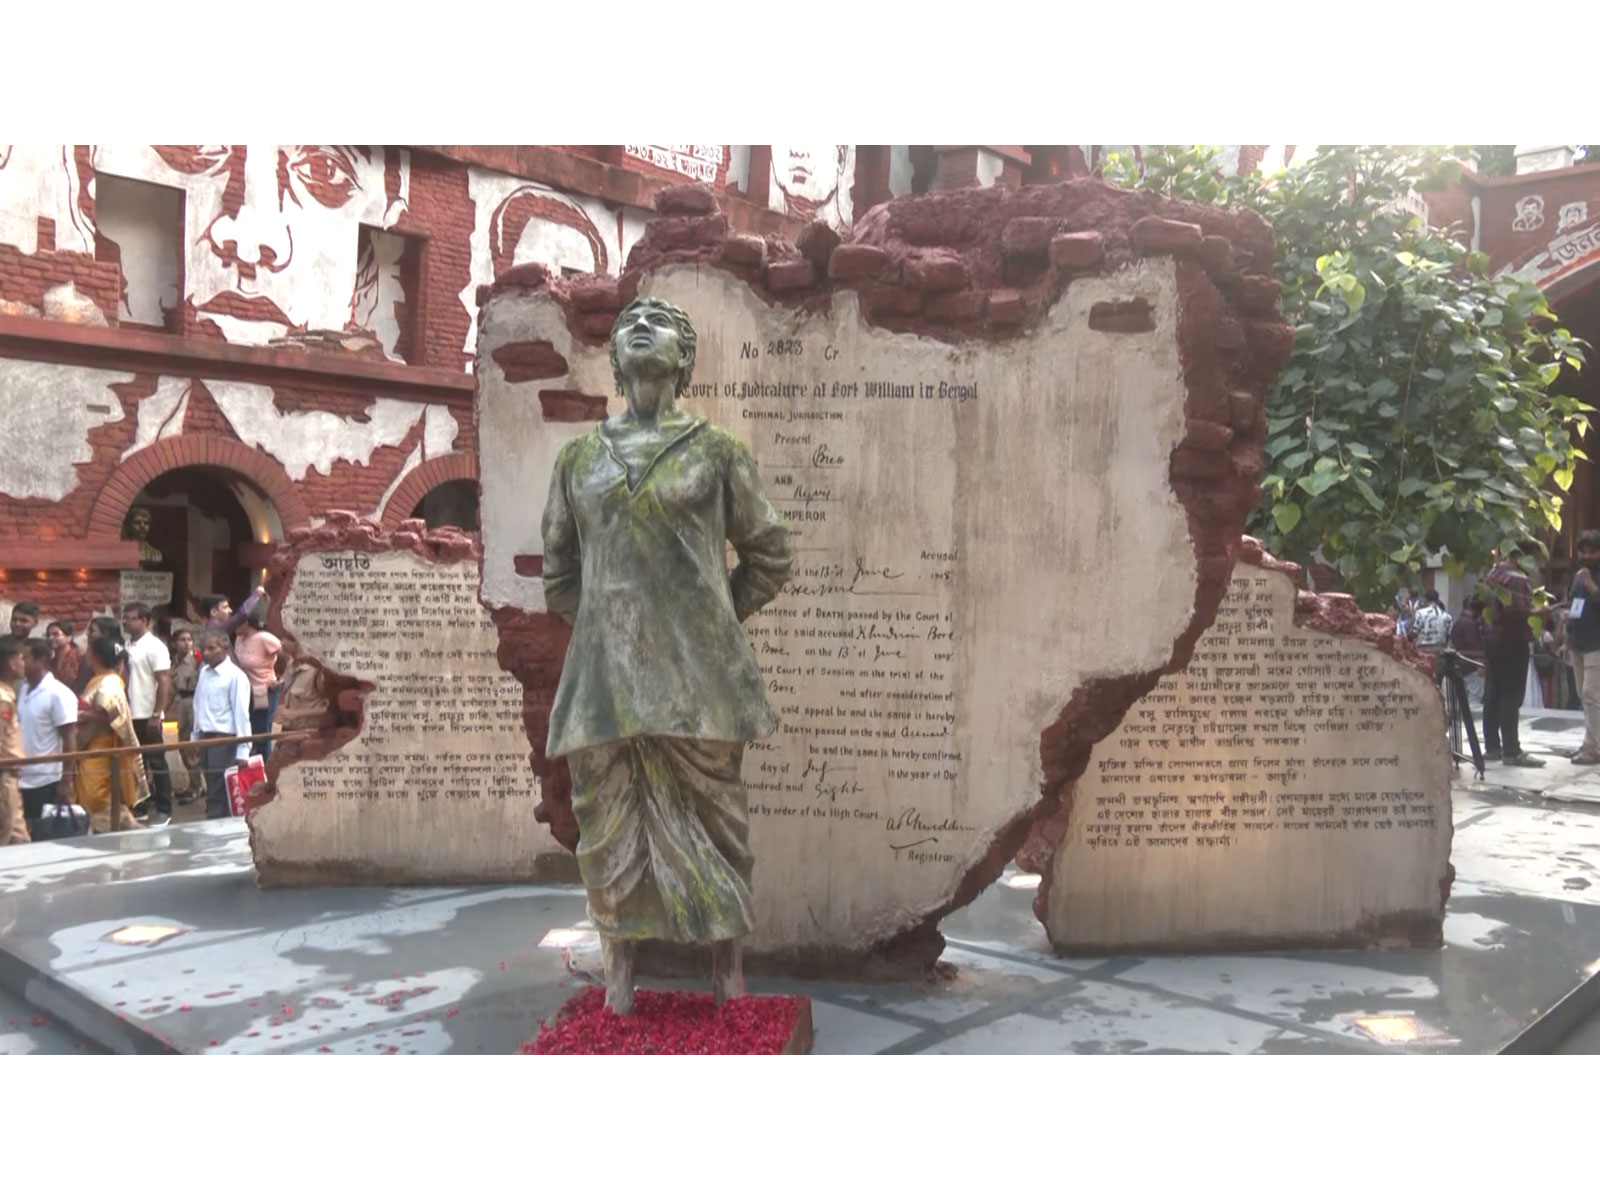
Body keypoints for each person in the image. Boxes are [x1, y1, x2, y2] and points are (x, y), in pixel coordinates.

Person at [541, 296, 792, 1015]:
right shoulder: (579, 459)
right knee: (608, 831)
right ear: (617, 360)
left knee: (716, 830)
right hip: (605, 689)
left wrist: (711, 619)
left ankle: (727, 977)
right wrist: (613, 629)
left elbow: (770, 556)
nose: (641, 328)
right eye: (629, 324)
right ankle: (619, 982)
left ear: (684, 360)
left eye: (661, 325)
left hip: (701, 688)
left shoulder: (717, 452)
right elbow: (560, 573)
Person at [72, 636, 147, 833]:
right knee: (94, 793)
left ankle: (121, 824)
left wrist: (84, 715)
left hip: (100, 745)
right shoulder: (99, 680)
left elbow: (111, 714)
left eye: (89, 652)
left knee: (96, 794)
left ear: (96, 656)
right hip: (90, 744)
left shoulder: (109, 682)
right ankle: (121, 823)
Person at [1482, 548, 1543, 768]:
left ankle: (1492, 747)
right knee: (1511, 695)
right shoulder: (1517, 579)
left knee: (1493, 693)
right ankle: (1511, 750)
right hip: (1513, 640)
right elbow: (1516, 611)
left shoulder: (1493, 574)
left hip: (1493, 638)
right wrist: (1538, 611)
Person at [17, 639, 77, 837]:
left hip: (45, 779)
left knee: (42, 836)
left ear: (41, 660)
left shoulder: (58, 694)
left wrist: (67, 780)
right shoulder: (23, 689)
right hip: (20, 777)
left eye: (25, 658)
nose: (19, 662)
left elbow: (69, 738)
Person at [191, 629, 251, 820]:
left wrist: (243, 750)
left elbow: (241, 715)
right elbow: (198, 705)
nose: (206, 653)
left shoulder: (235, 676)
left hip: (223, 740)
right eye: (204, 649)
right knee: (212, 786)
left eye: (212, 648)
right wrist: (194, 737)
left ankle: (217, 825)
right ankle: (215, 821)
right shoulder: (204, 672)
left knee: (220, 790)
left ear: (224, 648)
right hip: (205, 739)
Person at [122, 601, 173, 825]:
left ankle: (164, 808)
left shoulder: (155, 646)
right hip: (129, 714)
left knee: (156, 762)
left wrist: (156, 714)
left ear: (144, 621)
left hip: (147, 715)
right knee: (135, 763)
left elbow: (164, 681)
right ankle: (140, 805)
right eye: (125, 618)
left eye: (131, 618)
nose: (126, 622)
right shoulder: (127, 646)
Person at [233, 602, 287, 760]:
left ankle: (265, 764)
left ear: (245, 623)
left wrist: (284, 678)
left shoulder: (264, 638)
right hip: (245, 691)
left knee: (262, 732)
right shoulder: (239, 639)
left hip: (263, 690)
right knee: (248, 730)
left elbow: (290, 654)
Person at [1564, 530, 1600, 765]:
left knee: (1591, 694)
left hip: (1597, 643)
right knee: (1582, 695)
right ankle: (1590, 741)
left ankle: (1593, 748)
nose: (1587, 556)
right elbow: (1574, 607)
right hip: (1578, 642)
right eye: (1583, 551)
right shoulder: (1578, 576)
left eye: (1592, 552)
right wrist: (1566, 639)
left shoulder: (1587, 577)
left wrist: (1590, 584)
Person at [0, 637, 33, 846]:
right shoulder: (3, 697)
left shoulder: (8, 692)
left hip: (9, 773)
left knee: (16, 834)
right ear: (11, 663)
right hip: (4, 774)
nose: (24, 663)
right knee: (12, 835)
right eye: (21, 658)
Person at [168, 629, 201, 804]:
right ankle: (193, 783)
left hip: (194, 702)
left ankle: (196, 787)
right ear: (175, 643)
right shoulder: (174, 664)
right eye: (182, 640)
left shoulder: (197, 662)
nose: (187, 643)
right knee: (182, 743)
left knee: (192, 746)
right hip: (180, 702)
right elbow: (171, 689)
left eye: (189, 639)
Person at [72, 616, 126, 694]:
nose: (88, 634)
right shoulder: (90, 653)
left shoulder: (118, 654)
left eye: (92, 631)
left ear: (105, 634)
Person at [1451, 598, 1488, 706]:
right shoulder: (1470, 624)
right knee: (1474, 697)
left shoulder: (1459, 622)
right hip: (1470, 665)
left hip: (1461, 663)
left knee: (1463, 697)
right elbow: (1474, 645)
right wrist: (1480, 662)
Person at [1410, 589, 1453, 658]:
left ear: (1426, 600)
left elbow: (1414, 632)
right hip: (1440, 650)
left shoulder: (1420, 613)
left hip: (1423, 650)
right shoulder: (1447, 616)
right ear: (1437, 600)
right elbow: (1449, 636)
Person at [45, 620, 82, 691]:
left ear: (69, 637)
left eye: (56, 634)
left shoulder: (80, 656)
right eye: (48, 635)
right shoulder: (49, 662)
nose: (50, 638)